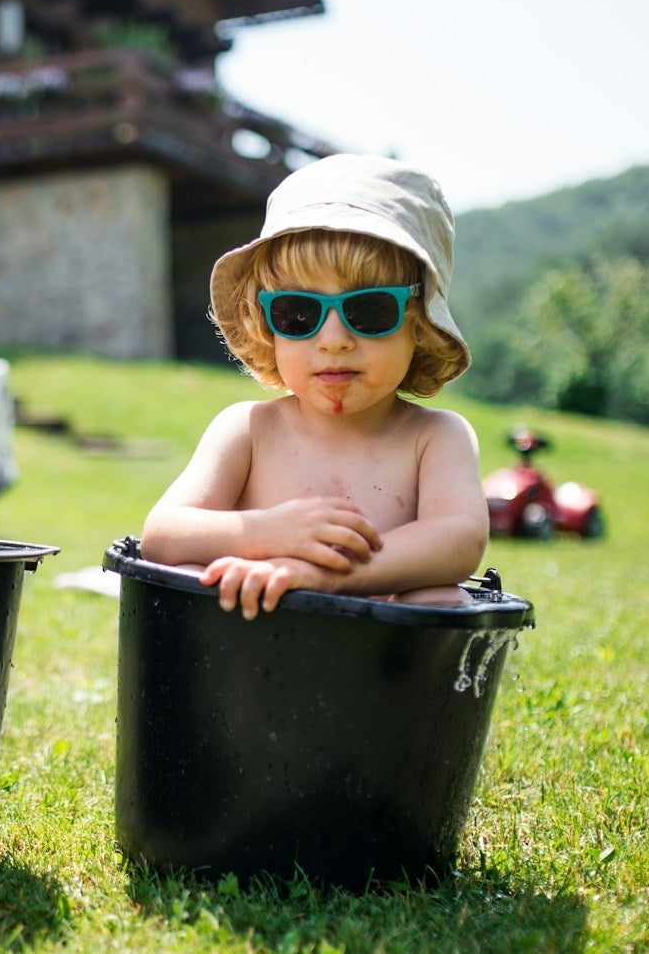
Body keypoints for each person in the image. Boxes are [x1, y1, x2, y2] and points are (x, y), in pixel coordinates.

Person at [139, 154, 488, 616]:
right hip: (255, 654)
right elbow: (162, 534)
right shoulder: (248, 429)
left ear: (420, 324)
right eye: (298, 313)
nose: (334, 341)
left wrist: (327, 574)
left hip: (380, 661)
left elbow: (458, 542)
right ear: (268, 324)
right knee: (191, 574)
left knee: (439, 597)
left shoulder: (435, 437)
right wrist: (264, 533)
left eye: (369, 311)